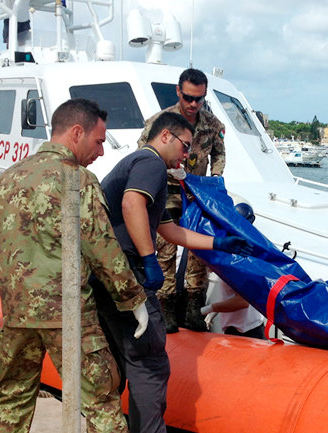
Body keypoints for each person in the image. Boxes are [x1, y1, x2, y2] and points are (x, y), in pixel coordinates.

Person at [0, 99, 148, 433]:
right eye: (98, 141)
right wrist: (134, 300)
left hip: (17, 314)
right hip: (69, 316)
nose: (101, 152)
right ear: (77, 132)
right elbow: (103, 250)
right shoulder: (79, 179)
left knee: (11, 401)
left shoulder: (9, 177)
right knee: (101, 405)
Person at [93, 111, 251, 433]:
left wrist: (219, 243)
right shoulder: (150, 163)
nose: (188, 156)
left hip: (104, 278)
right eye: (185, 146)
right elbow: (132, 204)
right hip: (127, 277)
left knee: (121, 359)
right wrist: (149, 259)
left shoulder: (139, 167)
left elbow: (171, 230)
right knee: (150, 363)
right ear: (165, 136)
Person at [137, 68, 226, 333]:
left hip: (197, 192)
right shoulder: (161, 122)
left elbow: (219, 153)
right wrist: (165, 171)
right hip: (167, 190)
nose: (193, 104)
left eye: (199, 99)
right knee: (165, 248)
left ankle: (193, 307)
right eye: (188, 97)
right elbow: (144, 151)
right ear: (178, 92)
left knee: (199, 250)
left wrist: (216, 177)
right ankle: (165, 307)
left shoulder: (213, 125)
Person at [200, 203, 266, 339]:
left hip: (245, 331)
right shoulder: (241, 253)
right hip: (243, 326)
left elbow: (242, 302)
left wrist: (210, 308)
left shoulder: (240, 259)